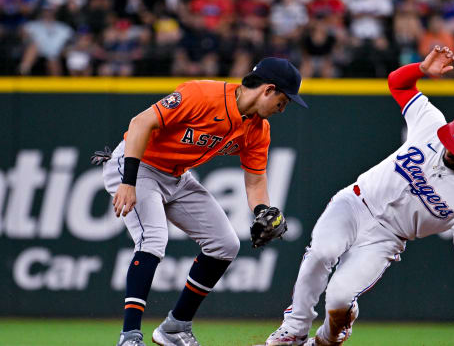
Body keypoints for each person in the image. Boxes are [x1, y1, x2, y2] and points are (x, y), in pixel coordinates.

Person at [264, 46, 454, 346]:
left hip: (386, 238)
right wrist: (421, 70)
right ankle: (294, 328)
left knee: (339, 297)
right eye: (451, 139)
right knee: (321, 253)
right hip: (355, 203)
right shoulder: (432, 124)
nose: (451, 148)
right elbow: (398, 83)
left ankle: (326, 339)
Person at [93, 57, 307, 346]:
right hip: (137, 164)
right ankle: (129, 336)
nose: (282, 109)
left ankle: (175, 327)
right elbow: (140, 123)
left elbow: (256, 179)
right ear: (268, 90)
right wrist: (128, 182)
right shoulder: (202, 94)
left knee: (225, 245)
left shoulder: (258, 129)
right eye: (283, 101)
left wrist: (262, 211)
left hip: (177, 176)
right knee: (153, 239)